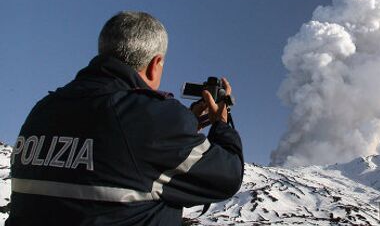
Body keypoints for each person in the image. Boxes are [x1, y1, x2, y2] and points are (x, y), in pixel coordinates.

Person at [7, 11, 244, 225]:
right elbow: (227, 177)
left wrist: (184, 129)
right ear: (155, 64)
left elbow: (114, 159)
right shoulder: (153, 118)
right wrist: (221, 125)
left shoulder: (43, 110)